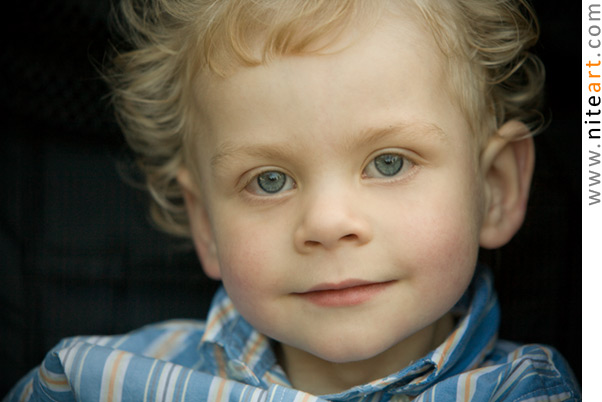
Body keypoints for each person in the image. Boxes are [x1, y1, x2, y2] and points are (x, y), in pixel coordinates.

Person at [5, 0, 580, 400]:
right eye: (270, 180)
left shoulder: (532, 391)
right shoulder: (91, 382)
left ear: (495, 189)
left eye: (389, 162)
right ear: (205, 223)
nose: (327, 223)